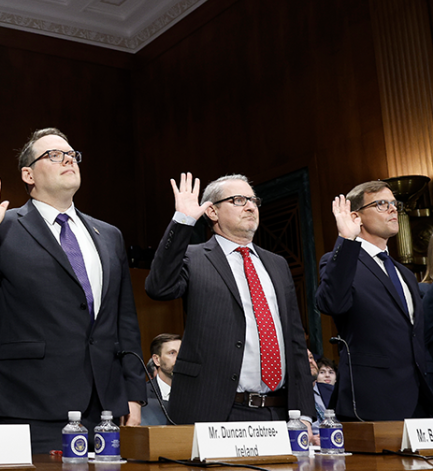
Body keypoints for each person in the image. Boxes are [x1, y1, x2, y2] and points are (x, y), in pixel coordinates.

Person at [0, 128, 145, 454]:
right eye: (54, 155)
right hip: (29, 406)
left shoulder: (108, 235)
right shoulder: (4, 227)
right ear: (29, 174)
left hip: (106, 408)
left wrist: (134, 394)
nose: (68, 159)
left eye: (71, 154)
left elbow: (125, 321)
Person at [145, 173, 314, 423]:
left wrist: (304, 414)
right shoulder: (194, 257)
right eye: (238, 200)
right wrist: (183, 221)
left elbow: (295, 340)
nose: (250, 206)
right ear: (212, 212)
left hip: (278, 410)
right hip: (215, 409)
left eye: (253, 200)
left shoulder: (277, 264)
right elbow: (159, 287)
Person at [317, 182, 433, 420]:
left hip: (419, 401)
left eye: (394, 204)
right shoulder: (339, 262)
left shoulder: (405, 274)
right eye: (381, 204)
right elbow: (332, 303)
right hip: (373, 400)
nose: (393, 210)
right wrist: (346, 240)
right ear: (355, 216)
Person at [142, 333, 180, 426]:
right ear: (157, 360)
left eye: (181, 352)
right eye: (172, 353)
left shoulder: (196, 393)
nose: (179, 358)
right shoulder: (142, 395)